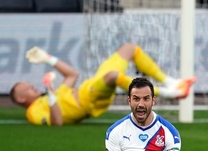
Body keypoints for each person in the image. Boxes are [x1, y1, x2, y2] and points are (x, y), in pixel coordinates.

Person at [9, 44, 195, 126]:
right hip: (88, 100)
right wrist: (50, 92)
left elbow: (72, 74)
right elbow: (57, 122)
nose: (32, 86)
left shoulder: (56, 95)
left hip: (90, 86)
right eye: (27, 88)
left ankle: (171, 82)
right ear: (21, 98)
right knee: (112, 76)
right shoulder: (33, 112)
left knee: (129, 49)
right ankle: (169, 94)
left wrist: (47, 58)